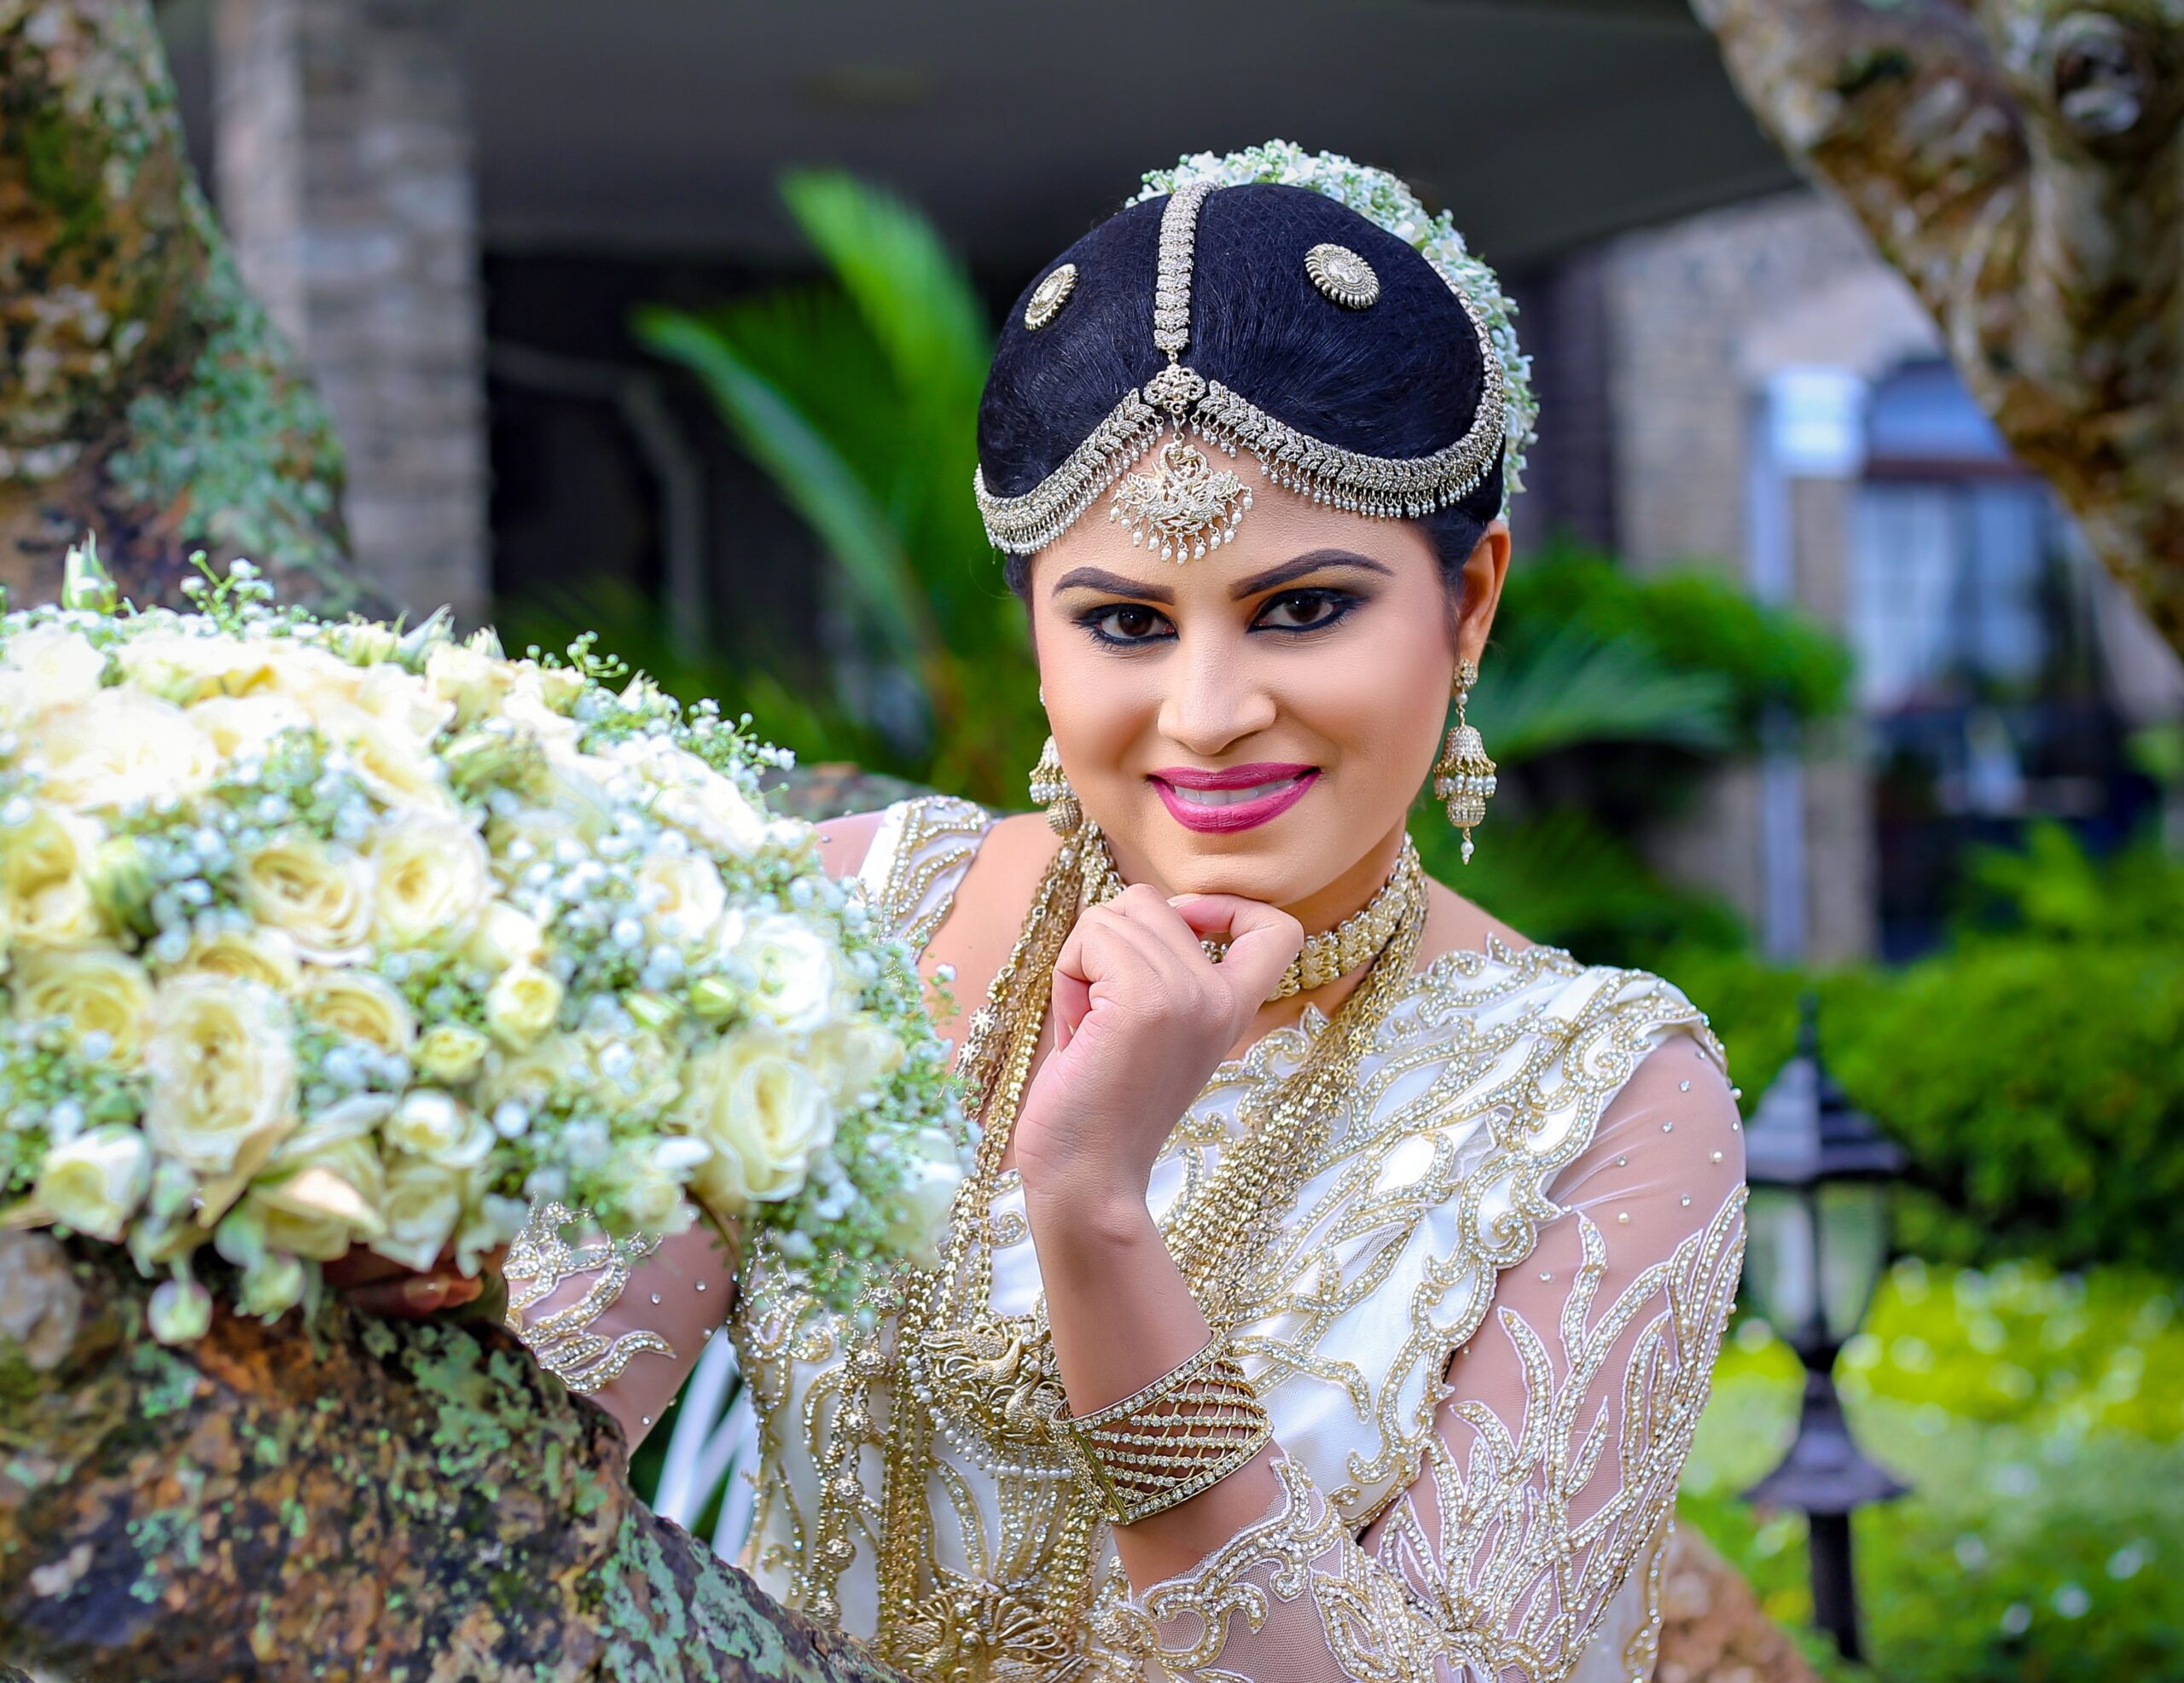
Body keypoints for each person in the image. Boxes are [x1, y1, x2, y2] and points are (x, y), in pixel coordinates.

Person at [368, 144, 1747, 1683]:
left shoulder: (1607, 1096)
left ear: (1471, 600)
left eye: (1304, 607)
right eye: (1126, 623)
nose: (1210, 711)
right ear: (1037, 634)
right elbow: (498, 1471)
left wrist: (1093, 1214)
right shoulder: (848, 925)